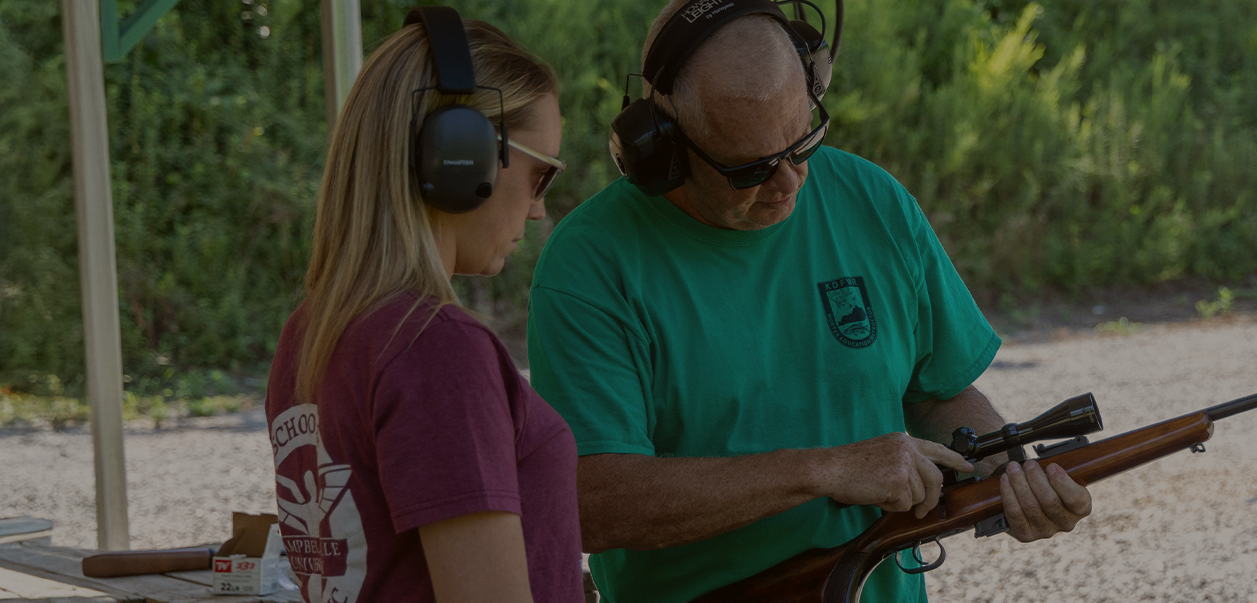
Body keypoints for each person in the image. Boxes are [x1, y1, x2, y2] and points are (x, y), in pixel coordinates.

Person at [524, 0, 1091, 601]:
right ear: (661, 146)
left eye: (802, 143)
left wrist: (1011, 474)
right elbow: (594, 502)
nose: (789, 181)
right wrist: (826, 471)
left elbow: (937, 391)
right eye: (750, 168)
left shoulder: (874, 200)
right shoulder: (591, 263)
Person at [263, 7, 578, 603]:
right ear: (460, 155)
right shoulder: (437, 348)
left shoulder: (310, 332)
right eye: (540, 175)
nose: (539, 209)